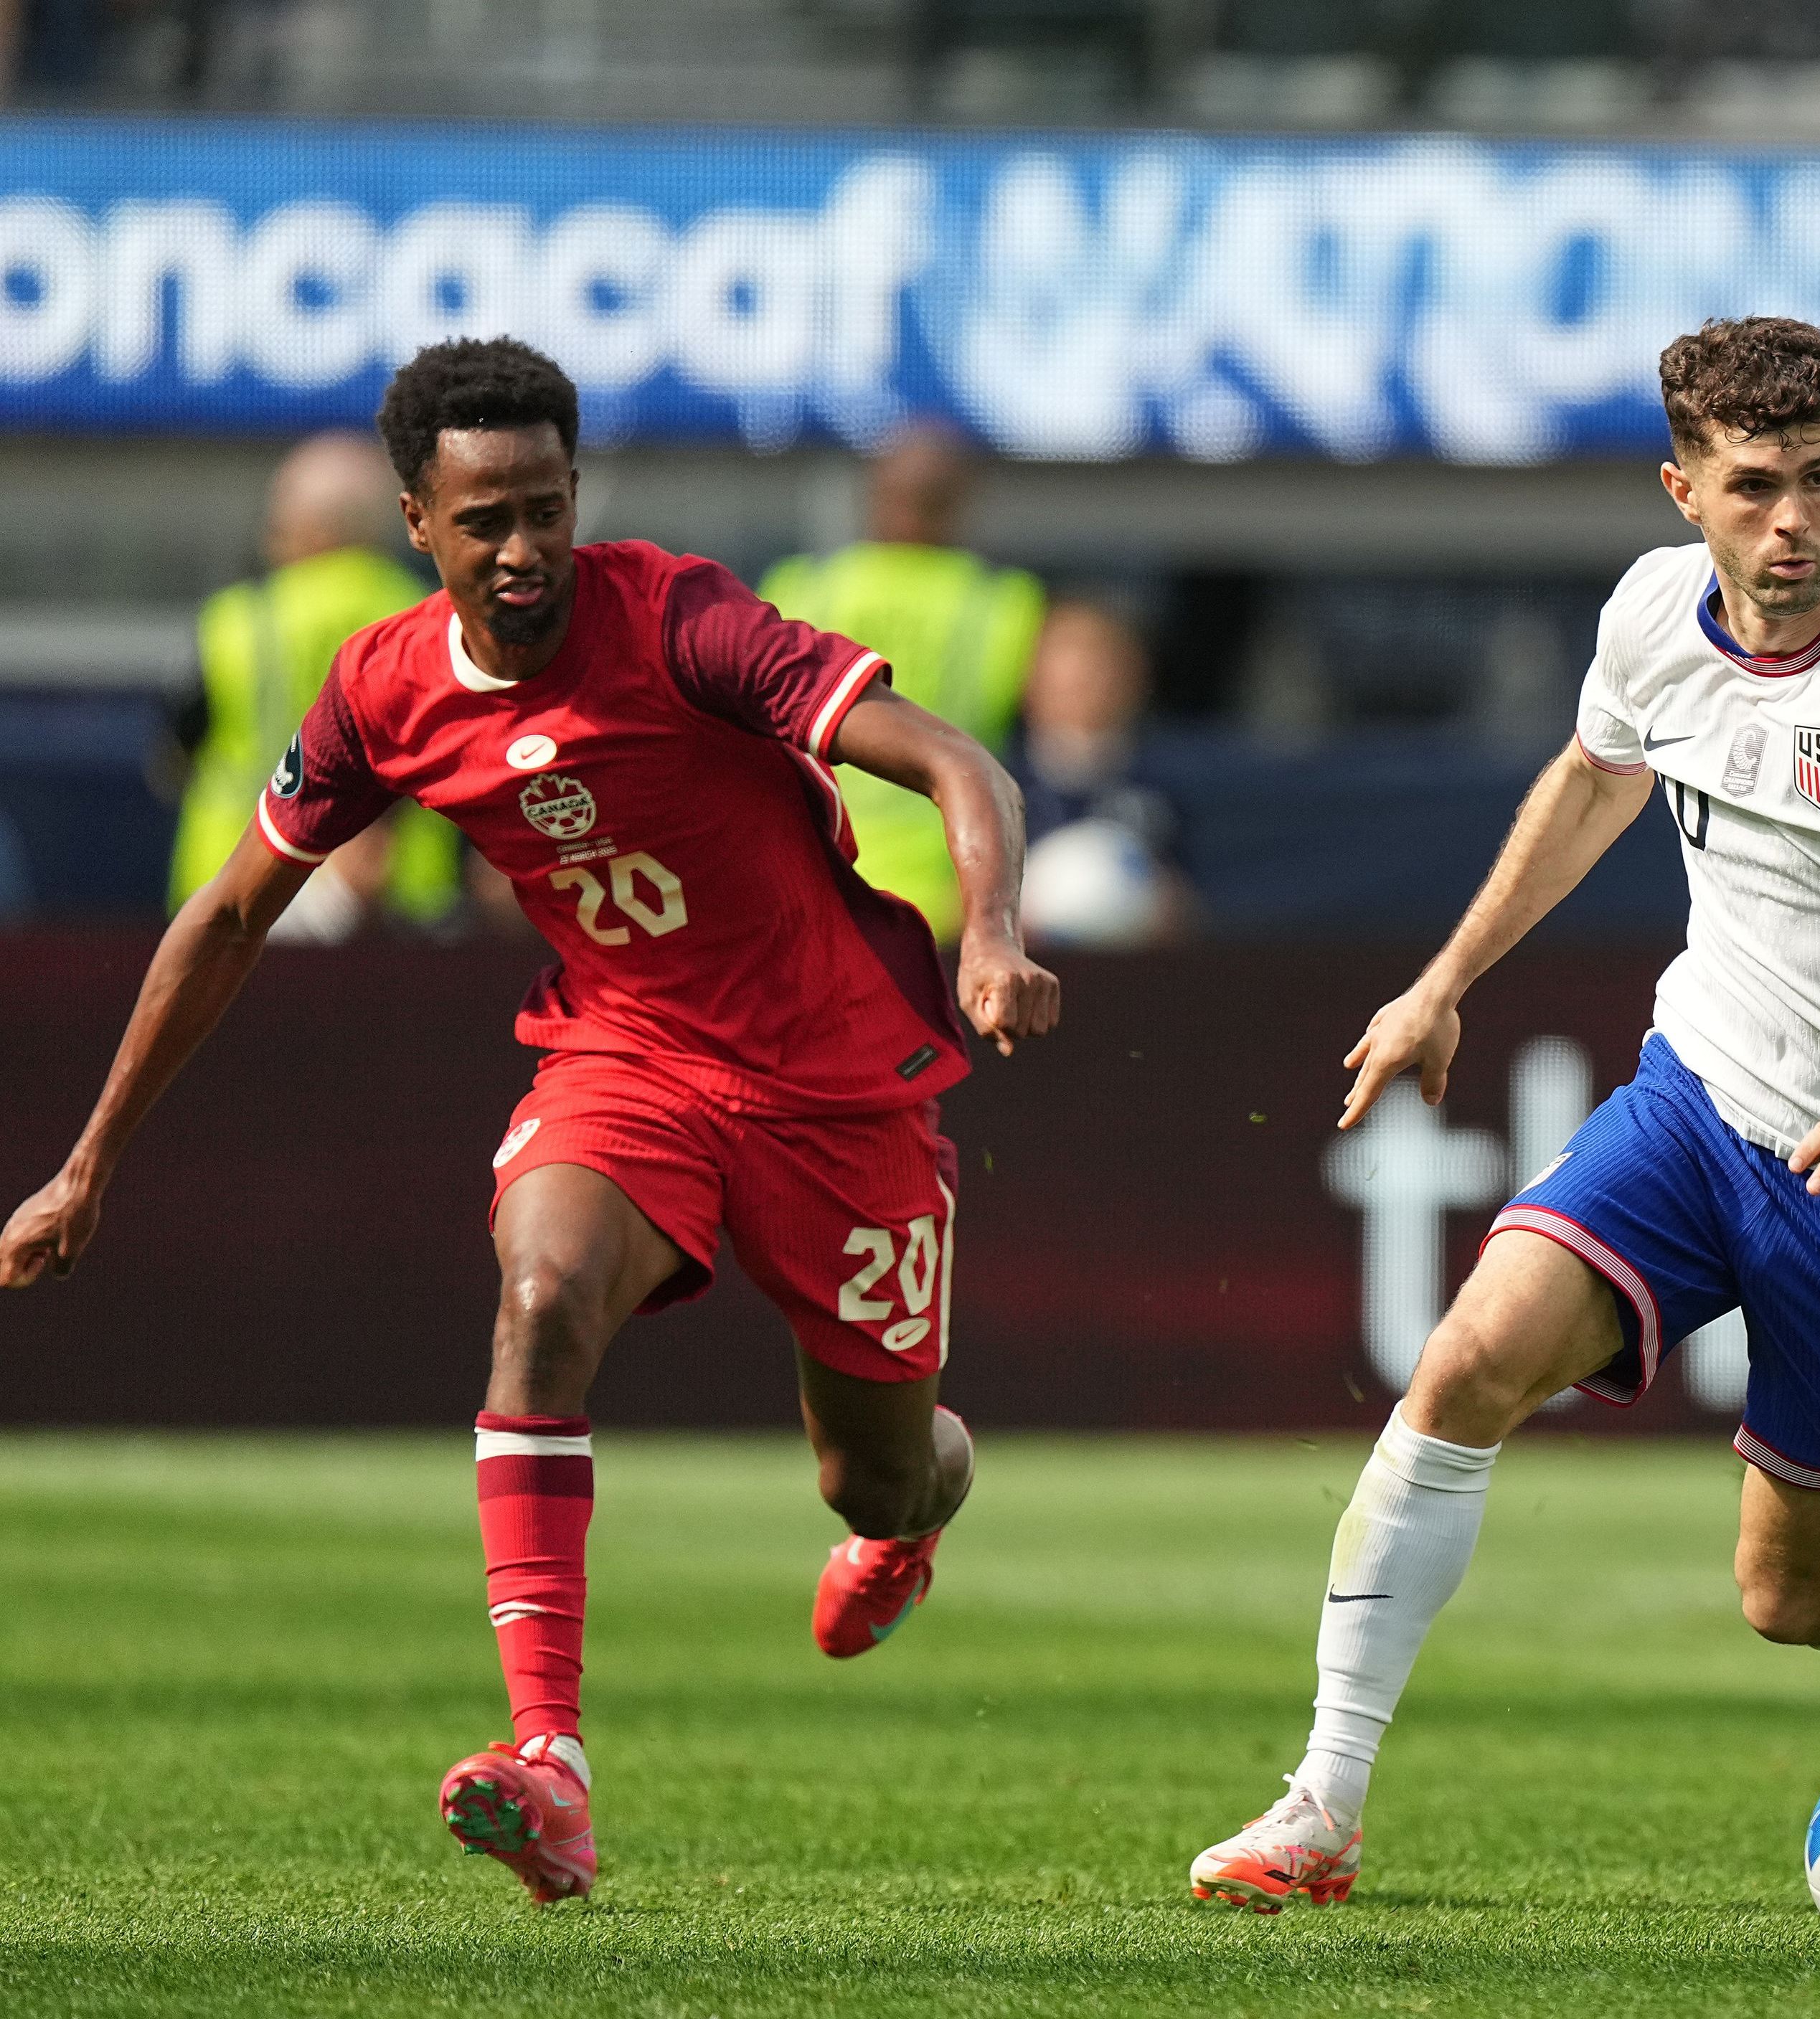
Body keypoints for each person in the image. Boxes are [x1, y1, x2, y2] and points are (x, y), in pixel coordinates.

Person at [0, 339, 1062, 1906]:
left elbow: (953, 759)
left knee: (872, 1480)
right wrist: (89, 1161)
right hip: (625, 1057)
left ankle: (918, 1509)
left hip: (838, 1085)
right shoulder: (378, 687)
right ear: (417, 519)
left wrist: (987, 933)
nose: (523, 550)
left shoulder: (684, 620)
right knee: (544, 1293)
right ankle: (550, 1766)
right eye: (485, 519)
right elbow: (230, 916)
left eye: (547, 510)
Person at [1182, 317, 1820, 1911]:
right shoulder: (1650, 616)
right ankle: (1321, 1805)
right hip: (1695, 1103)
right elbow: (1591, 776)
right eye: (1753, 486)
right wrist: (1443, 983)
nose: (1791, 525)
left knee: (1790, 1594)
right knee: (1466, 1362)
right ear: (1682, 487)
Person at [762, 425, 1047, 942]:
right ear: (961, 503)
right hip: (949, 900)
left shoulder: (799, 590)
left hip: (816, 887)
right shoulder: (1006, 606)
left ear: (873, 496)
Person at [175, 431, 463, 940]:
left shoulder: (235, 621)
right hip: (406, 904)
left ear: (302, 527)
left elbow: (175, 753)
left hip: (236, 897)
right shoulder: (440, 620)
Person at [1012, 599, 1195, 950]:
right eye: (1069, 672)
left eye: (1099, 668)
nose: (1085, 685)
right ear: (1030, 681)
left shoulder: (1153, 792)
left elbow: (1182, 904)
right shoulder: (1000, 785)